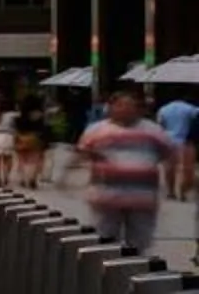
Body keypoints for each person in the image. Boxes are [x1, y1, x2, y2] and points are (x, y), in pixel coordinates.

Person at [78, 87, 182, 255]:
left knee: (139, 243)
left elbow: (168, 155)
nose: (125, 109)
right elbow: (83, 153)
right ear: (110, 108)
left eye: (130, 105)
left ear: (138, 109)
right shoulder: (95, 130)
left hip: (142, 198)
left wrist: (170, 183)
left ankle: (135, 272)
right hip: (106, 197)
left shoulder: (153, 130)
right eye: (120, 105)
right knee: (105, 240)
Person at [154, 89, 198, 199]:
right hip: (184, 141)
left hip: (168, 140)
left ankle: (171, 191)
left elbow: (160, 125)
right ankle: (182, 192)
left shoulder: (163, 109)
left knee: (169, 167)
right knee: (184, 168)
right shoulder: (190, 108)